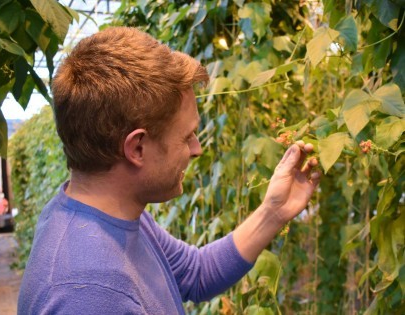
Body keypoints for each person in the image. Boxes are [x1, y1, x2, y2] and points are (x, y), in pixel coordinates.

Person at [18, 27, 320, 314]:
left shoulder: (112, 214)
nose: (196, 148)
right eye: (186, 136)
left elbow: (196, 273)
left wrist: (274, 212)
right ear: (137, 148)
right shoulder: (89, 295)